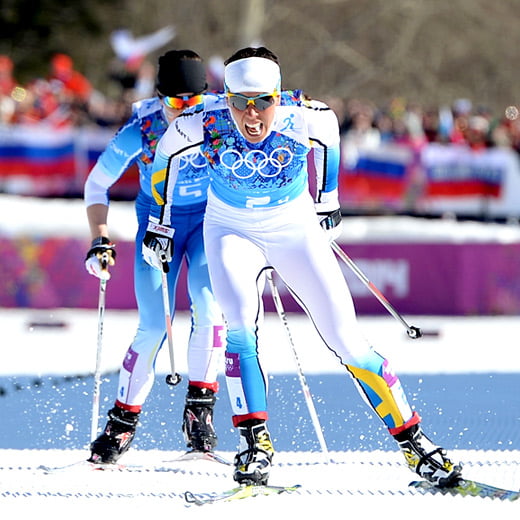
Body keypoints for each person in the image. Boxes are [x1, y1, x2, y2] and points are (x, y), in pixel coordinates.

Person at [146, 46, 462, 488]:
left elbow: (330, 140)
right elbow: (164, 158)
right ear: (227, 97)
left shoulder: (308, 116)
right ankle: (254, 445)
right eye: (240, 103)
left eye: (263, 102)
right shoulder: (203, 122)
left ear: (280, 96)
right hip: (230, 230)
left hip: (292, 228)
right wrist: (159, 223)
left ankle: (414, 442)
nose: (251, 117)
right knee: (237, 326)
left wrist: (328, 199)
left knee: (347, 340)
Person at [84, 49, 224, 464]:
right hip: (157, 227)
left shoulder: (218, 119)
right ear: (160, 95)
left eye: (195, 102)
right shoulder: (141, 131)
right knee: (153, 327)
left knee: (208, 308)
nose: (187, 112)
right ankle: (122, 422)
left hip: (205, 224)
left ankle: (200, 412)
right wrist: (100, 239)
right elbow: (96, 186)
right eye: (178, 102)